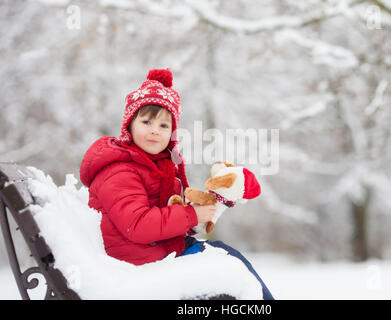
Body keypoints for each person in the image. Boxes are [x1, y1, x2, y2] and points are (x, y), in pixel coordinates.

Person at [79, 68, 274, 300]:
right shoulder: (119, 170)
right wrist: (191, 215)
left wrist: (205, 209)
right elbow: (137, 225)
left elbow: (162, 214)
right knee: (230, 265)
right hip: (140, 265)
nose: (154, 130)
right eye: (146, 121)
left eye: (164, 126)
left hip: (160, 253)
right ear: (129, 125)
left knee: (229, 256)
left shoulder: (157, 166)